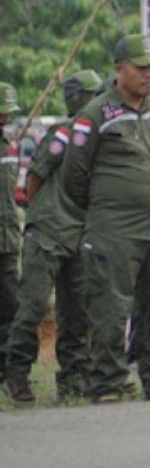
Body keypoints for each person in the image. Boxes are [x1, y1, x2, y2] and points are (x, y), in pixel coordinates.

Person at [62, 34, 150, 402]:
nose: (149, 75)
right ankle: (108, 383)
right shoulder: (95, 114)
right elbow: (73, 177)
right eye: (141, 67)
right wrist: (106, 211)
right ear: (119, 70)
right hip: (114, 228)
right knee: (110, 308)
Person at [4, 71, 102, 404]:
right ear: (79, 99)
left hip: (79, 232)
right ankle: (16, 373)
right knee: (32, 305)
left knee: (77, 311)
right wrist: (43, 215)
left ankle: (75, 377)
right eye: (94, 94)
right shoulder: (64, 133)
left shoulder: (100, 135)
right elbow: (35, 176)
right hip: (48, 232)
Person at [0, 81, 22, 382]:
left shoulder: (10, 145)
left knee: (10, 306)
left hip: (7, 238)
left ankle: (7, 369)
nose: (4, 118)